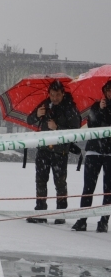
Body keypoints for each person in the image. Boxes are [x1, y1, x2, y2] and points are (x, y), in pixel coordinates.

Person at [25, 80, 81, 224]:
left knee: (60, 183)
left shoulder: (70, 108)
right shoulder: (45, 104)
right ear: (48, 94)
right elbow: (29, 120)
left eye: (57, 95)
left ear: (63, 93)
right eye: (52, 95)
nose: (54, 98)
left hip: (60, 152)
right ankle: (40, 212)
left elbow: (75, 129)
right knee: (40, 181)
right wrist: (37, 114)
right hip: (43, 150)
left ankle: (61, 214)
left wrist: (58, 128)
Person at [73, 80, 111, 233]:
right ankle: (82, 219)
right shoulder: (96, 106)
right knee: (88, 187)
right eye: (108, 90)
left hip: (110, 153)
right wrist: (101, 110)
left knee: (108, 190)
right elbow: (92, 125)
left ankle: (103, 221)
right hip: (94, 151)